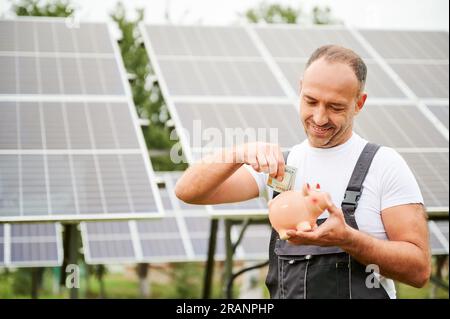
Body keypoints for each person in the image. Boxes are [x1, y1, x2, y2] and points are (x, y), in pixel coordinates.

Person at [175, 45, 431, 299]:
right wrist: (237, 154)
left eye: (335, 107)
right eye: (311, 101)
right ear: (300, 89)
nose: (319, 118)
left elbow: (419, 271)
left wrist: (348, 239)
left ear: (359, 103)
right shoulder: (280, 168)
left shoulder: (384, 165)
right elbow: (188, 191)